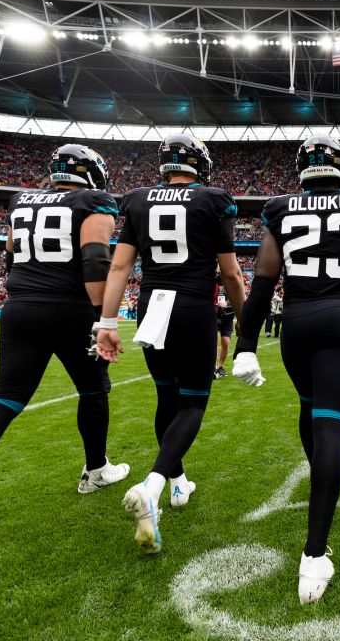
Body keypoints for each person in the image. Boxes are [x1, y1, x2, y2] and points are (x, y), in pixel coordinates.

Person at [0, 144, 130, 545]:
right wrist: (103, 319)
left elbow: (11, 255)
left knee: (5, 399)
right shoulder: (93, 200)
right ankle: (96, 469)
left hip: (20, 307)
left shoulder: (21, 200)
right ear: (92, 173)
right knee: (93, 390)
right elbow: (94, 260)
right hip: (70, 309)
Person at [231, 134, 340, 604]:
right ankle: (314, 554)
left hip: (296, 323)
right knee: (330, 429)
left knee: (311, 413)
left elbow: (262, 282)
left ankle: (322, 490)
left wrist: (245, 346)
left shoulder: (282, 208)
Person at [95, 134, 246, 553]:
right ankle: (157, 483)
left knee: (166, 399)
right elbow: (231, 274)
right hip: (192, 308)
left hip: (152, 307)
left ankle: (178, 482)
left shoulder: (139, 199)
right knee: (194, 402)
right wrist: (246, 324)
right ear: (200, 164)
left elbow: (121, 264)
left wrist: (107, 321)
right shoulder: (212, 200)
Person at [214, 297, 235, 378]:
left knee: (226, 341)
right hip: (213, 313)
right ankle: (214, 367)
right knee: (213, 340)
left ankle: (219, 366)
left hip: (227, 315)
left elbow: (237, 295)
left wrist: (227, 302)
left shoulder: (230, 284)